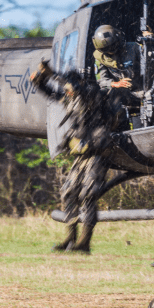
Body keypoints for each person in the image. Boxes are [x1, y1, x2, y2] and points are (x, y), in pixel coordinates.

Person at [30, 61, 123, 253]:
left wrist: (53, 73)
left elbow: (77, 88)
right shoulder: (70, 98)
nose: (67, 91)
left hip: (97, 151)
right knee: (69, 191)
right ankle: (70, 238)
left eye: (69, 87)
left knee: (88, 194)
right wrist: (38, 81)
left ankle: (85, 242)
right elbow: (50, 93)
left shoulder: (91, 94)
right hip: (81, 153)